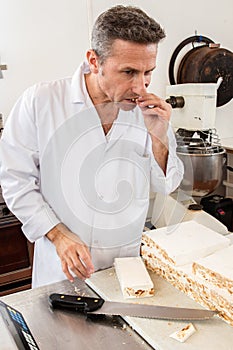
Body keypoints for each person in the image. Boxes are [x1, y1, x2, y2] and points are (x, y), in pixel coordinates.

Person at [0, 5, 183, 288]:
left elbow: (167, 183)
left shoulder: (149, 113)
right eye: (128, 72)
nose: (140, 86)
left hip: (126, 267)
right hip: (62, 268)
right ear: (94, 61)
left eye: (148, 72)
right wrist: (58, 235)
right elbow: (16, 181)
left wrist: (159, 136)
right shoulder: (42, 102)